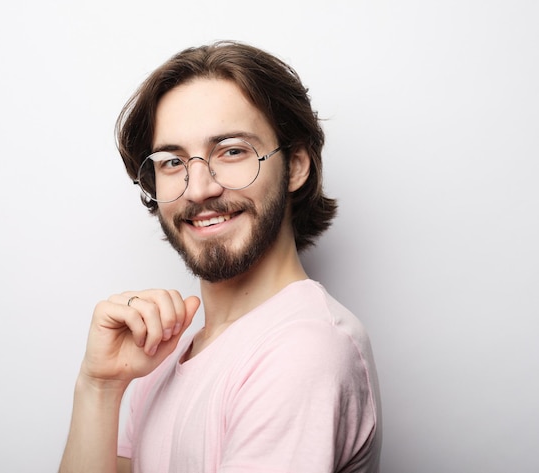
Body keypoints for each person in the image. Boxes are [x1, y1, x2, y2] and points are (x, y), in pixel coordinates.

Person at [59, 40, 382, 473]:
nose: (198, 188)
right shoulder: (166, 358)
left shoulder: (304, 351)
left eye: (231, 151)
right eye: (172, 161)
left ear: (297, 165)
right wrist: (99, 386)